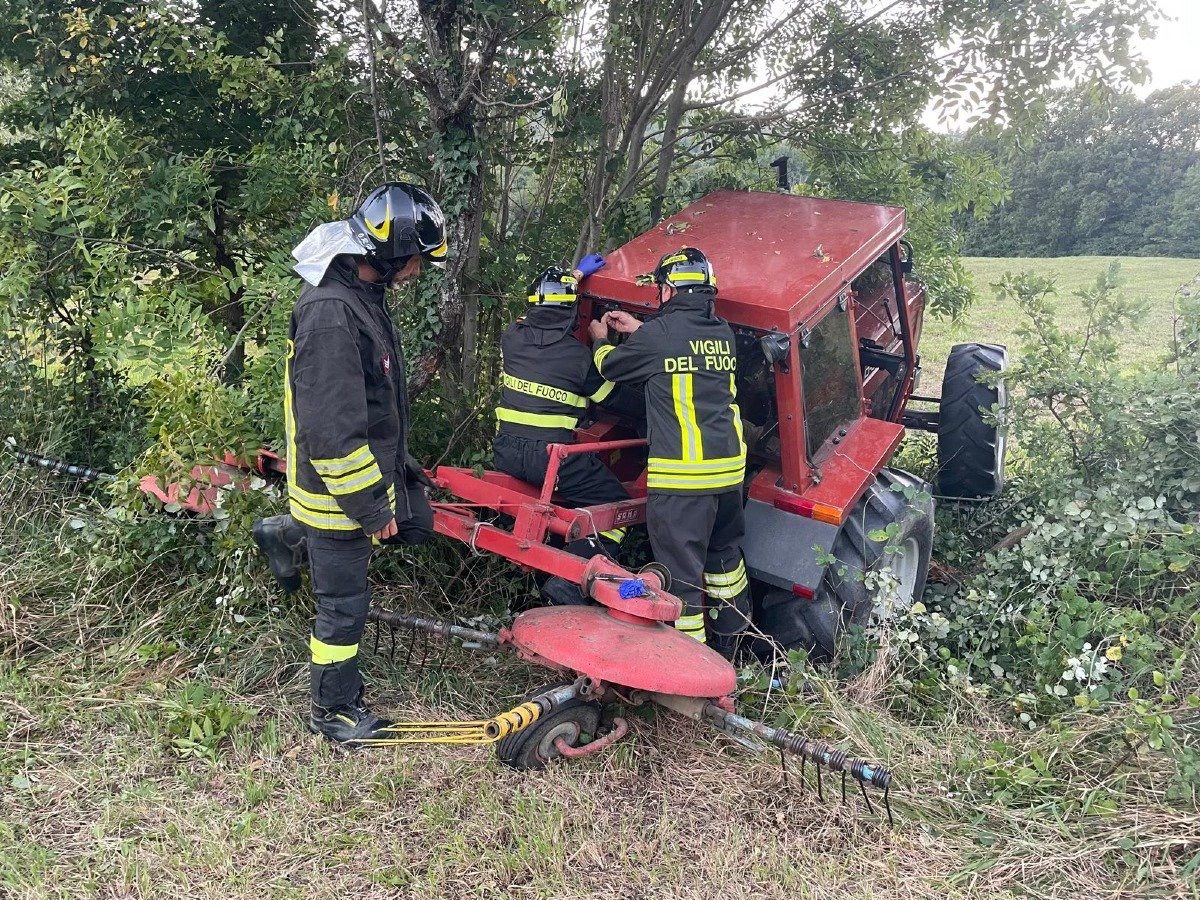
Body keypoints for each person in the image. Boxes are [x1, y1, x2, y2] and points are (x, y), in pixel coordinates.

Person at [251, 181, 447, 745]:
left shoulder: (360, 299)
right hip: (338, 494)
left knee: (416, 526)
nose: (418, 270)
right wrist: (367, 507)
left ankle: (288, 536)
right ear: (387, 255)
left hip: (362, 480)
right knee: (343, 608)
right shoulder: (332, 317)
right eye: (416, 259)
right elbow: (332, 433)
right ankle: (334, 710)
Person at [587, 247, 750, 658]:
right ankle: (738, 646)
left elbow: (611, 367)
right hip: (729, 475)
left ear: (668, 289)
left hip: (683, 481)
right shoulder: (723, 332)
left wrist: (601, 339)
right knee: (724, 562)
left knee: (680, 579)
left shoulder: (660, 336)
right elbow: (682, 345)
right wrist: (643, 329)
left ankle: (690, 664)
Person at [494, 258, 642, 604]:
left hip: (506, 452)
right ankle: (572, 579)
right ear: (572, 313)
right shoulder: (579, 360)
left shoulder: (512, 338)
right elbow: (616, 399)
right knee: (615, 505)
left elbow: (534, 312)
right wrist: (602, 342)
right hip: (549, 462)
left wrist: (572, 276)